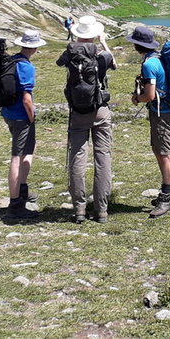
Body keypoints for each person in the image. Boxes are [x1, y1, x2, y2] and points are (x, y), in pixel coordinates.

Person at [55, 16, 116, 223]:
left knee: (77, 157)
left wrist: (74, 40)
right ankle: (101, 210)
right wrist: (103, 42)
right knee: (103, 157)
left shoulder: (70, 53)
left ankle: (79, 209)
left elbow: (59, 63)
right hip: (99, 110)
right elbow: (114, 64)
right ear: (95, 34)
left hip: (77, 112)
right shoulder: (101, 55)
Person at [0, 30, 47, 219]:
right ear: (34, 47)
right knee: (17, 157)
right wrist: (31, 116)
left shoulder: (12, 60)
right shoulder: (26, 67)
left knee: (26, 151)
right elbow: (27, 98)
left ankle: (22, 190)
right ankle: (15, 203)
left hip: (8, 113)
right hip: (21, 116)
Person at [129, 26, 170, 218]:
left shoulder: (149, 64)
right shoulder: (157, 59)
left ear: (137, 45)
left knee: (164, 153)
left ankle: (166, 198)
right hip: (167, 111)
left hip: (162, 113)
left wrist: (136, 99)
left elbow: (150, 95)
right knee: (161, 151)